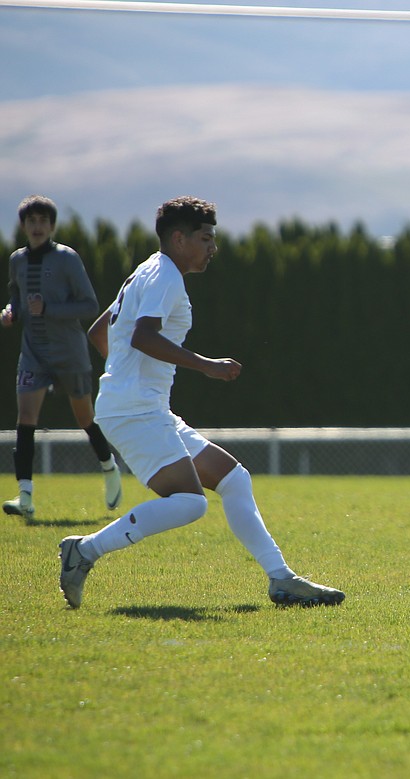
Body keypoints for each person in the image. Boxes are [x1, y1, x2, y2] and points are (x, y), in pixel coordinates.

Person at [58, 196, 343, 609]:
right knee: (190, 504)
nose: (213, 247)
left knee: (234, 479)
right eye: (206, 238)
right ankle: (84, 550)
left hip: (142, 406)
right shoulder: (166, 276)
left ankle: (282, 580)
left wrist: (123, 377)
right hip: (135, 410)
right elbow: (142, 336)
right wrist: (205, 365)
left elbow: (101, 332)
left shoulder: (148, 270)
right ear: (179, 238)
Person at [2, 195, 122, 520]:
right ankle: (25, 495)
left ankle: (109, 468)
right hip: (33, 353)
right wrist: (12, 311)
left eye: (43, 221)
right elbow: (16, 293)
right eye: (31, 221)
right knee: (25, 419)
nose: (37, 227)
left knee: (85, 418)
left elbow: (90, 306)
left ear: (52, 226)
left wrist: (50, 309)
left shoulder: (67, 259)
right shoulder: (17, 260)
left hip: (69, 353)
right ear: (24, 226)